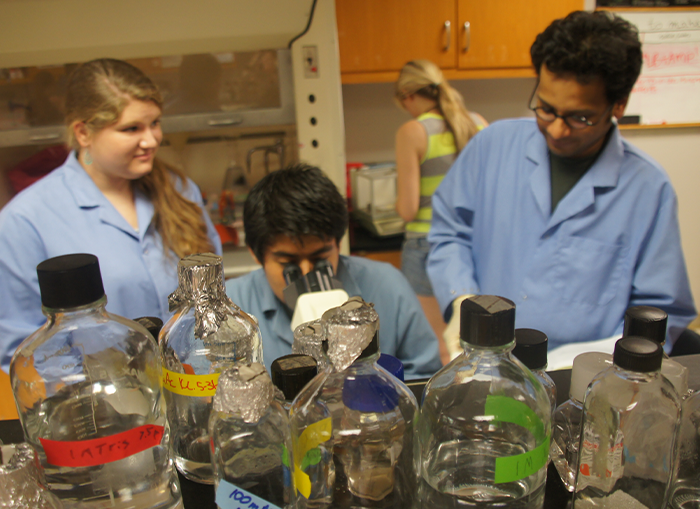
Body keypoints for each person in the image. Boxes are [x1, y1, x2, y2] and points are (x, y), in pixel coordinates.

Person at [427, 10, 696, 360]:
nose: (556, 129)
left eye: (579, 118)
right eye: (546, 108)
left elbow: (660, 314)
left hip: (584, 383)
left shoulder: (648, 189)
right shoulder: (491, 147)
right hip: (485, 368)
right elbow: (449, 232)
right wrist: (461, 299)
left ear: (618, 105)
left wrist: (578, 365)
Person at [0, 58, 222, 370]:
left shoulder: (180, 190)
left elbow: (213, 299)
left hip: (196, 386)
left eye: (155, 123)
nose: (151, 140)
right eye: (131, 128)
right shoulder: (26, 221)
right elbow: (20, 352)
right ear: (83, 133)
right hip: (101, 407)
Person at [225, 164, 442, 380]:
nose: (306, 273)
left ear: (338, 245)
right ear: (255, 254)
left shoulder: (387, 286)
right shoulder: (232, 307)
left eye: (320, 259)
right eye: (287, 262)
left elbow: (424, 375)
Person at [394, 59, 487, 364]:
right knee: (475, 339)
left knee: (439, 345)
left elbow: (407, 210)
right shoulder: (477, 122)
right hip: (474, 244)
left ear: (408, 96)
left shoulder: (412, 131)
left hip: (425, 244)